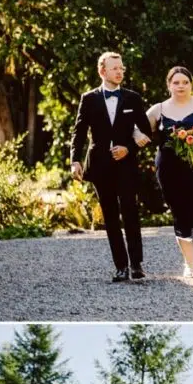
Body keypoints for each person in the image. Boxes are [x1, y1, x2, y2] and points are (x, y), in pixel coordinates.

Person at [71, 51, 152, 282]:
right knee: (110, 216)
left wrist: (129, 148)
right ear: (102, 71)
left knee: (130, 211)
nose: (120, 72)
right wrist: (75, 160)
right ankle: (121, 267)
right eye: (115, 68)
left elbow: (146, 131)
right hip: (99, 165)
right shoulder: (89, 98)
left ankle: (136, 264)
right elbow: (79, 132)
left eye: (121, 68)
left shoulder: (132, 98)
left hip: (126, 164)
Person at [144, 66, 193, 277]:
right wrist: (137, 138)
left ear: (191, 84)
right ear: (169, 85)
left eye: (185, 82)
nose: (181, 86)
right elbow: (138, 130)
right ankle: (189, 265)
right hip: (169, 169)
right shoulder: (158, 109)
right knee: (180, 213)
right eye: (176, 82)